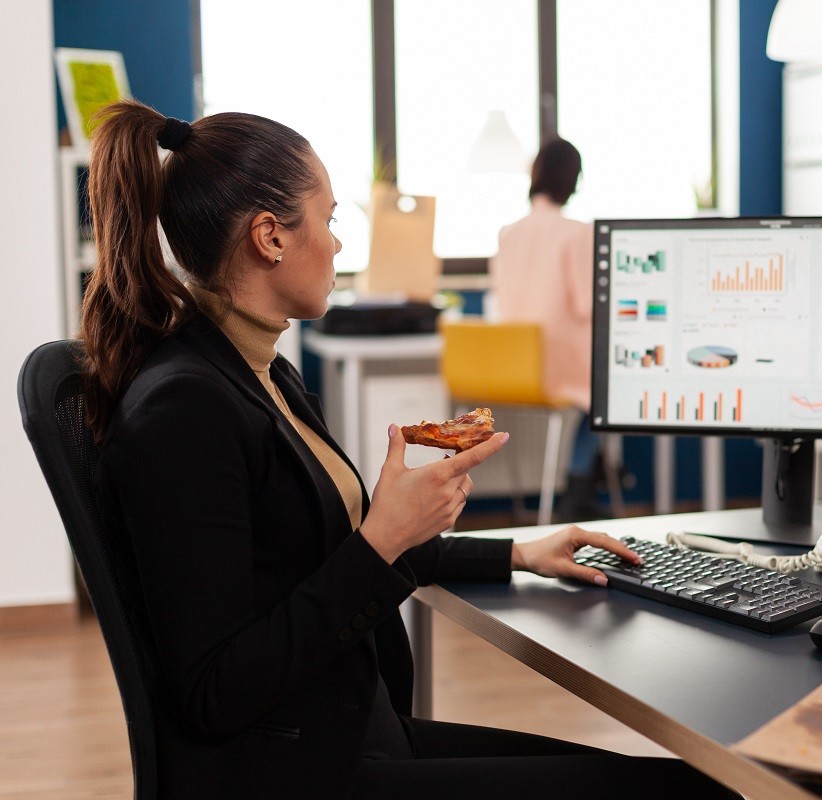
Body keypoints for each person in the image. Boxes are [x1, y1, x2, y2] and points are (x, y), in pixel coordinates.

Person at [79, 100, 738, 800]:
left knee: (694, 781)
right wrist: (381, 538)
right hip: (299, 773)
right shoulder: (186, 411)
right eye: (330, 221)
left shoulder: (260, 372)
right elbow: (214, 690)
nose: (337, 245)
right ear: (270, 237)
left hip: (353, 731)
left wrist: (520, 552)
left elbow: (334, 550)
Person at [489, 137, 603, 521]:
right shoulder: (578, 232)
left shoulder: (508, 232)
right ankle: (580, 484)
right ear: (573, 179)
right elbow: (589, 305)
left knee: (594, 390)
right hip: (558, 367)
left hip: (515, 368)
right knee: (607, 390)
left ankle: (585, 482)